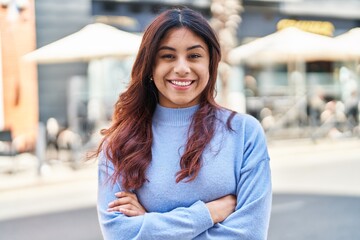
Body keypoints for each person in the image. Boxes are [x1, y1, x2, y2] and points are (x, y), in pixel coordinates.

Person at [95, 7, 272, 240]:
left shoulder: (244, 134)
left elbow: (249, 234)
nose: (181, 68)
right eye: (168, 56)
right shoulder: (119, 144)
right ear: (150, 66)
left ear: (211, 64)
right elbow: (119, 234)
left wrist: (148, 223)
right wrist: (209, 213)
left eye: (194, 56)